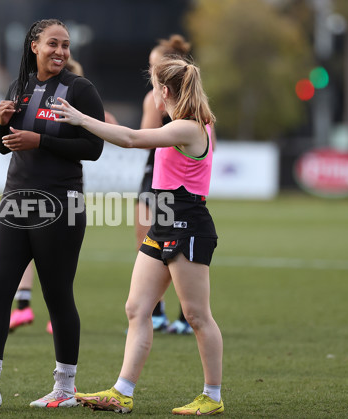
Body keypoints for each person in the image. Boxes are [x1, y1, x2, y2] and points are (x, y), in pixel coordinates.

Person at [52, 57, 224, 415]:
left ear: (164, 91)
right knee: (136, 308)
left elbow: (132, 139)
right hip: (163, 222)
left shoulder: (190, 127)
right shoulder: (184, 124)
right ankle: (122, 391)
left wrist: (82, 119)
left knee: (196, 316)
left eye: (154, 88)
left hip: (187, 223)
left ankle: (212, 396)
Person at [0, 18, 105, 409]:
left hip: (61, 203)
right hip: (15, 200)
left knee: (56, 295)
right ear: (34, 45)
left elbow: (93, 147)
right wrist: (4, 125)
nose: (61, 52)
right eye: (53, 44)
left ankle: (66, 389)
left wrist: (41, 139)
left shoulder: (80, 90)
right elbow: (6, 146)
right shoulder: (19, 86)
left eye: (66, 45)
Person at [8, 56, 116, 336]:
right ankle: (33, 310)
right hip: (51, 189)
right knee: (39, 258)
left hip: (59, 190)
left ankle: (25, 307)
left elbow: (96, 144)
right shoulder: (31, 89)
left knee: (42, 260)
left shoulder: (78, 92)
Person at [137, 35, 196, 335]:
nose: (150, 72)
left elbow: (140, 138)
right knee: (158, 243)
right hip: (164, 176)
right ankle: (164, 314)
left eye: (154, 66)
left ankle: (171, 315)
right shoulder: (196, 103)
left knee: (164, 246)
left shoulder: (164, 102)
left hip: (162, 179)